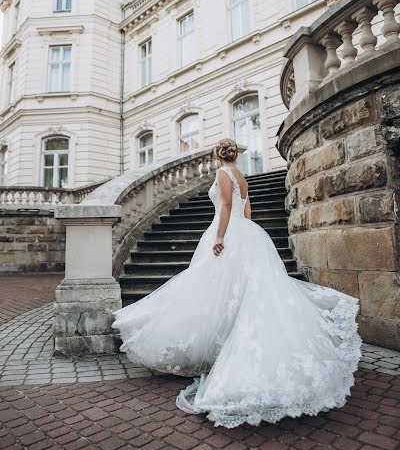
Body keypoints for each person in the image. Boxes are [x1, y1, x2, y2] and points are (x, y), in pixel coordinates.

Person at [112, 138, 362, 428]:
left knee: (213, 289)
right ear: (233, 154)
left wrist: (220, 237)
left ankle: (224, 347)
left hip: (228, 232)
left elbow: (227, 205)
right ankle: (227, 343)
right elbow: (247, 209)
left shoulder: (221, 173)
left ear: (218, 155)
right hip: (248, 232)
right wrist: (244, 231)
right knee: (241, 291)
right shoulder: (241, 175)